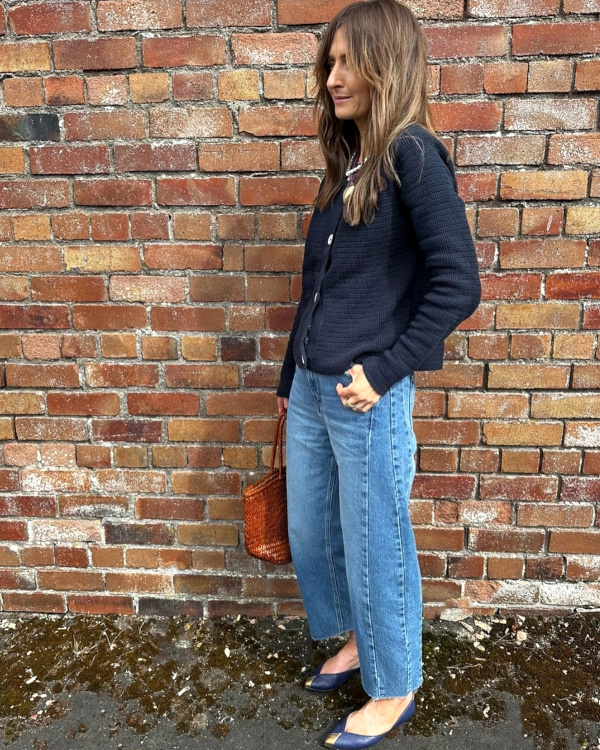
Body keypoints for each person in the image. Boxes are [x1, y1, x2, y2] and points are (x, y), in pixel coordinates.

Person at [275, 1, 481, 747]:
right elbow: (318, 289)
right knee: (312, 529)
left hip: (365, 396)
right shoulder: (350, 166)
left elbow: (458, 283)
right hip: (311, 388)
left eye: (347, 62)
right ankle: (362, 640)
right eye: (328, 63)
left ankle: (394, 687)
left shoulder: (413, 155)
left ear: (385, 64)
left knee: (375, 542)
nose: (332, 77)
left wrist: (387, 370)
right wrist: (289, 381)